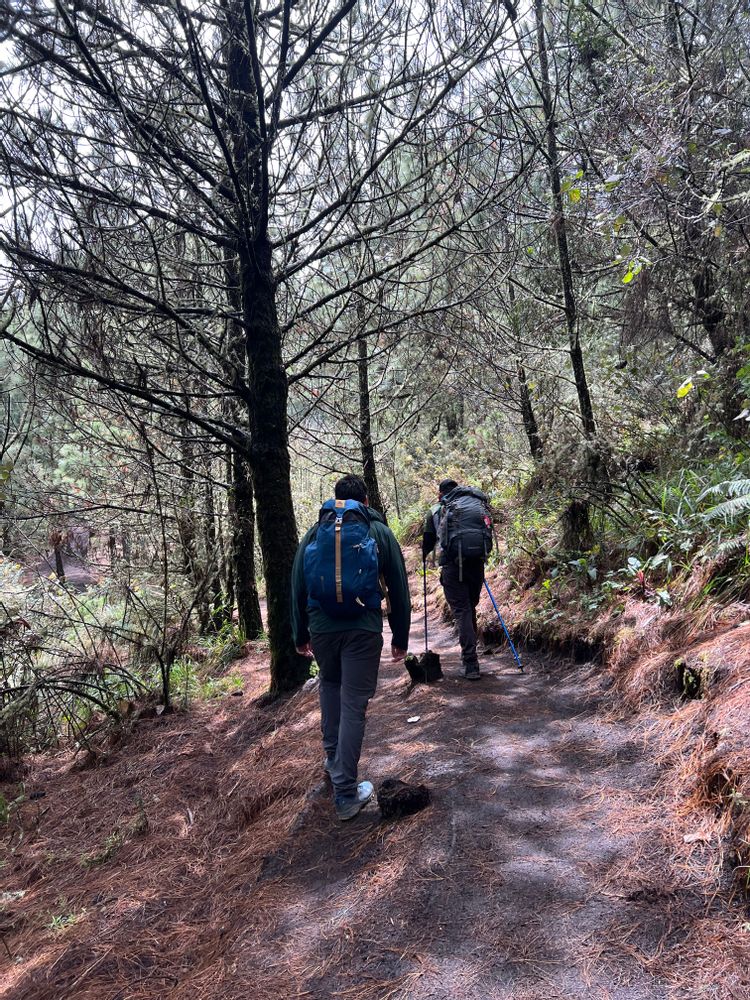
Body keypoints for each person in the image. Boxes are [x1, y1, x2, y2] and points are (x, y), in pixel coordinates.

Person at [292, 474, 411, 821]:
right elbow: (399, 588)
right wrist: (400, 638)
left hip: (323, 628)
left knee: (330, 687)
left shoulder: (315, 534)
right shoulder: (379, 532)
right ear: (366, 502)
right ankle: (345, 792)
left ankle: (333, 764)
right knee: (354, 705)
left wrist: (300, 635)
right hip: (362, 630)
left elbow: (297, 587)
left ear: (337, 500)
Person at [422, 478, 492, 680]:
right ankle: (471, 658)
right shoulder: (475, 504)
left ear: (440, 494)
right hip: (476, 564)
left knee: (462, 611)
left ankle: (471, 663)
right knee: (470, 608)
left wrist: (426, 557)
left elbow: (427, 543)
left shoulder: (436, 510)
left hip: (452, 566)